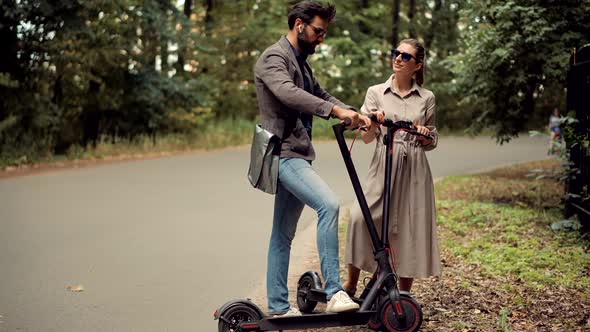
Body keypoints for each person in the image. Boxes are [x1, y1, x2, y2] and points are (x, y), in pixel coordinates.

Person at [254, 0, 372, 316]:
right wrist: (334, 111)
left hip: (297, 154)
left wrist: (355, 114)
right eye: (318, 31)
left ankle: (279, 306)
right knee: (329, 205)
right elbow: (288, 93)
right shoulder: (274, 58)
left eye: (324, 32)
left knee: (282, 235)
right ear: (299, 24)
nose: (321, 38)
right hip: (282, 154)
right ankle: (335, 292)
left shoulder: (302, 62)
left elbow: (320, 95)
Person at [342, 39, 441, 296]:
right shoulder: (376, 92)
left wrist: (423, 134)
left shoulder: (427, 97)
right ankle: (351, 282)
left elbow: (432, 139)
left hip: (414, 167)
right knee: (359, 217)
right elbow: (365, 136)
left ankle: (404, 293)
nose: (398, 58)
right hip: (383, 160)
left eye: (405, 56)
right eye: (396, 53)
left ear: (417, 65)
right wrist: (374, 122)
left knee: (411, 225)